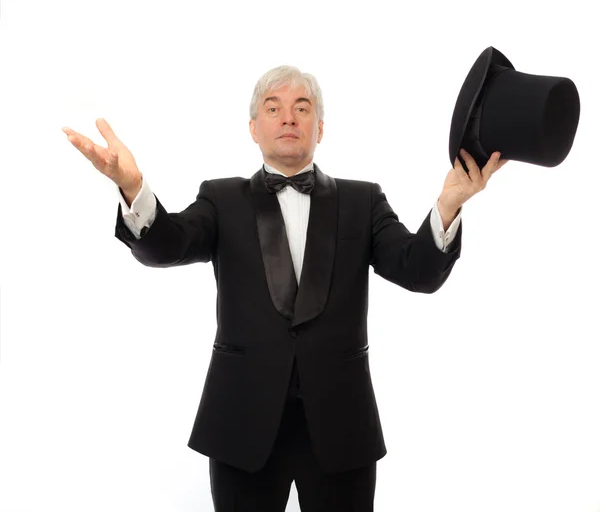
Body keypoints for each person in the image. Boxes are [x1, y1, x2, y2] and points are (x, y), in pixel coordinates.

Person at [62, 65, 508, 512]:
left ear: (320, 127)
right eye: (273, 108)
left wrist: (448, 205)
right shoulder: (221, 198)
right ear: (254, 128)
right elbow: (168, 245)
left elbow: (419, 271)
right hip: (242, 421)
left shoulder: (363, 200)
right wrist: (133, 187)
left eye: (302, 107)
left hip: (341, 424)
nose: (289, 118)